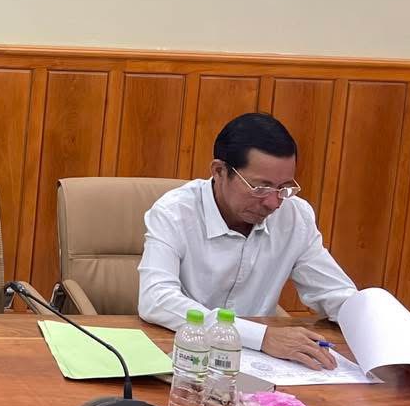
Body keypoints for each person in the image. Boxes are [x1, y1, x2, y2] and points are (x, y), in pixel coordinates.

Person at [137, 112, 356, 371]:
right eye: (260, 188)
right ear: (219, 171)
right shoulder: (174, 212)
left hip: (263, 367)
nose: (273, 202)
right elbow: (156, 299)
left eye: (284, 187)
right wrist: (261, 337)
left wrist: (383, 334)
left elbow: (336, 294)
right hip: (184, 356)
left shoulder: (295, 216)